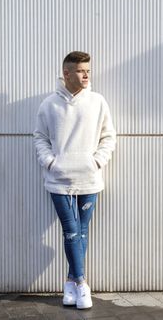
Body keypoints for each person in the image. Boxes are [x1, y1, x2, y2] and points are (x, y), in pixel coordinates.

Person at [33, 51, 116, 309]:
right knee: (71, 231)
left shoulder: (98, 102)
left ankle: (69, 282)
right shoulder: (49, 104)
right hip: (59, 181)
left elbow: (108, 136)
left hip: (89, 179)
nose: (87, 75)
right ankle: (81, 283)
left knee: (81, 231)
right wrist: (50, 162)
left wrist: (97, 161)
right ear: (66, 74)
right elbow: (39, 138)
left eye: (88, 71)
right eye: (81, 71)